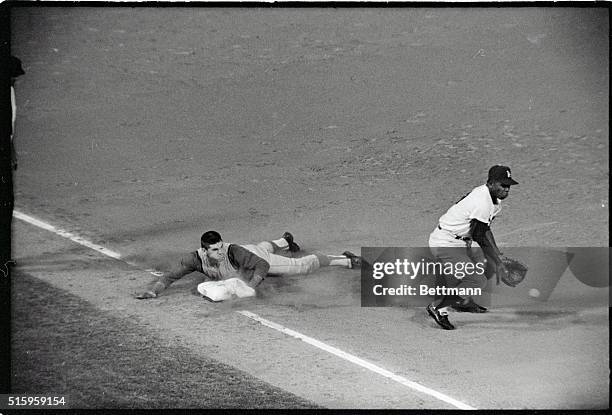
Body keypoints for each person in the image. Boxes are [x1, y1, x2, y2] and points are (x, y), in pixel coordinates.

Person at [135, 231, 363, 299]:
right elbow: (169, 277)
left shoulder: (232, 251)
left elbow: (262, 265)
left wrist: (253, 285)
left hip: (254, 260)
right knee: (259, 247)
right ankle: (285, 240)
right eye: (214, 249)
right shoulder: (193, 259)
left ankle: (344, 259)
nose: (219, 251)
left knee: (300, 267)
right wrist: (152, 291)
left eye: (220, 246)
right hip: (251, 252)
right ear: (204, 250)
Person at [425, 165, 519, 330]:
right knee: (476, 279)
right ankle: (438, 307)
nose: (506, 188)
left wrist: (498, 256)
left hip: (462, 242)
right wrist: (499, 263)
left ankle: (463, 301)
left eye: (508, 185)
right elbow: (479, 236)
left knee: (487, 266)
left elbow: (485, 229)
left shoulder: (493, 199)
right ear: (490, 183)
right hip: (445, 242)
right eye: (502, 184)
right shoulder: (482, 201)